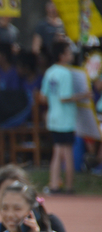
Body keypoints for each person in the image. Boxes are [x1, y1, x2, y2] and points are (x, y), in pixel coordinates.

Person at [41, 41, 92, 194]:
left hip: (53, 117)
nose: (71, 55)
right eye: (68, 52)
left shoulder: (50, 71)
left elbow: (44, 97)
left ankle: (54, 184)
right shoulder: (66, 73)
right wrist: (83, 95)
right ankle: (69, 186)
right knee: (67, 152)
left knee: (57, 152)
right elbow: (65, 97)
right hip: (65, 118)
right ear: (61, 56)